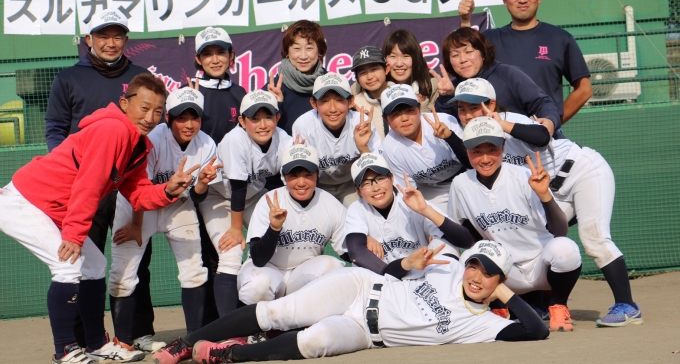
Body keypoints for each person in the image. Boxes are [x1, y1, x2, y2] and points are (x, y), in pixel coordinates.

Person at [0, 73, 201, 363]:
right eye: (144, 108)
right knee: (68, 266)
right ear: (124, 103)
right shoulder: (112, 130)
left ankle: (97, 343)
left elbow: (138, 194)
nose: (150, 118)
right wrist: (74, 235)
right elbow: (89, 185)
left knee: (95, 265)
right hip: (25, 201)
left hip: (51, 208)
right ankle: (64, 351)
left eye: (158, 111)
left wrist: (168, 190)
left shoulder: (138, 146)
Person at [152, 240, 548, 364]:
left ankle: (229, 356)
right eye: (474, 265)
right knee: (279, 311)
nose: (476, 276)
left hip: (364, 332)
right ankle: (185, 343)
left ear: (500, 281)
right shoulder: (446, 269)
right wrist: (406, 264)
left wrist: (503, 293)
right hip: (359, 288)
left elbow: (535, 330)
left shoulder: (485, 324)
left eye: (488, 273)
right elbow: (389, 274)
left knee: (316, 342)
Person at [451, 78, 643, 327]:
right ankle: (540, 305)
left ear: (492, 104)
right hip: (548, 188)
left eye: (475, 107)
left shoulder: (509, 120)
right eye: (462, 109)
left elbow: (542, 136)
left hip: (578, 171)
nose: (468, 114)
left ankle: (627, 305)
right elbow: (473, 160)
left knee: (594, 237)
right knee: (536, 235)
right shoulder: (476, 136)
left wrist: (503, 124)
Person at [44, 9, 161, 352]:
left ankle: (137, 333)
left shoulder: (141, 77)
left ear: (126, 39)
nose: (111, 43)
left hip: (127, 183)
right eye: (103, 36)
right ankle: (85, 340)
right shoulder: (68, 77)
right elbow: (55, 128)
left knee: (135, 260)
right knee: (80, 262)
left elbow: (149, 130)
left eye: (117, 36)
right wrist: (73, 174)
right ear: (88, 39)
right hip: (85, 188)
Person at [108, 87, 223, 350]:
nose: (189, 124)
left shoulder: (206, 143)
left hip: (177, 205)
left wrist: (202, 184)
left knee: (194, 271)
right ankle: (124, 341)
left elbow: (197, 195)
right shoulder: (153, 139)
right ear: (168, 117)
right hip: (137, 207)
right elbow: (139, 189)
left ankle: (193, 340)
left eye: (195, 117)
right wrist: (136, 225)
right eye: (182, 117)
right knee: (122, 274)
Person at [449, 116, 582, 332]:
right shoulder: (461, 184)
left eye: (492, 150)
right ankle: (496, 306)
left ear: (503, 147)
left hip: (542, 266)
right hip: (506, 273)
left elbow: (560, 231)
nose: (485, 158)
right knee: (467, 258)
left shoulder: (524, 176)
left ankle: (558, 305)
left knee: (566, 250)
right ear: (466, 151)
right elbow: (464, 234)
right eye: (477, 151)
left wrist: (545, 195)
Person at [198, 90, 293, 317]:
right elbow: (238, 187)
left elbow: (291, 179)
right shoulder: (235, 139)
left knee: (281, 245)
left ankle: (279, 316)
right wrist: (235, 228)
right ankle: (229, 327)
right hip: (219, 198)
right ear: (242, 121)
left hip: (253, 196)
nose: (262, 124)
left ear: (278, 118)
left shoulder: (284, 140)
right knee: (230, 255)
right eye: (254, 118)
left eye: (268, 117)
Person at [458, 0, 592, 125]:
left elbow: (584, 89)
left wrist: (553, 121)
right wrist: (465, 20)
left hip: (544, 136)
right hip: (497, 135)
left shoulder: (560, 38)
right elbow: (466, 61)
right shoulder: (489, 39)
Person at [235, 145, 347, 306]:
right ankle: (253, 322)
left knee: (333, 267)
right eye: (293, 176)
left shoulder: (330, 204)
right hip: (267, 269)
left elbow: (349, 252)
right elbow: (258, 259)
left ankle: (313, 320)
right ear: (284, 176)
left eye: (308, 175)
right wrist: (274, 229)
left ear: (317, 174)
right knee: (258, 284)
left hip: (303, 273)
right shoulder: (270, 201)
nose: (301, 183)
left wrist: (364, 241)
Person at [189, 26, 247, 326]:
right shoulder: (190, 94)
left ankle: (236, 320)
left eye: (220, 52)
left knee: (229, 253)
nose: (215, 59)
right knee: (202, 256)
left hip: (236, 189)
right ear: (198, 59)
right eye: (207, 54)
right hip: (199, 189)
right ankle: (207, 327)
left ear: (231, 55)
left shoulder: (240, 94)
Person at [345, 152, 475, 276]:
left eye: (380, 178)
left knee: (445, 245)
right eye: (366, 183)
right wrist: (397, 269)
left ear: (391, 178)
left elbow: (466, 241)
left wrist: (426, 211)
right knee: (357, 267)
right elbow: (356, 253)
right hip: (384, 277)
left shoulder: (409, 201)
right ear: (358, 191)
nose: (376, 188)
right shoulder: (357, 209)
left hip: (422, 272)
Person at [432, 27, 562, 137]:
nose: (463, 59)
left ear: (483, 54)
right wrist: (446, 96)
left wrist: (550, 120)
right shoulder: (453, 88)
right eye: (455, 55)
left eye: (469, 51)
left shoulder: (508, 74)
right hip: (483, 154)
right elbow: (447, 125)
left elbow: (541, 102)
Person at [292, 72, 383, 207]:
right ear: (314, 104)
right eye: (324, 101)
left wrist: (363, 148)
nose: (333, 109)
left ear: (350, 102)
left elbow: (380, 172)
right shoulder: (303, 125)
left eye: (339, 100)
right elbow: (300, 176)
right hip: (318, 187)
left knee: (366, 212)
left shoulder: (360, 122)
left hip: (351, 184)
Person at [380, 84, 467, 213]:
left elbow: (470, 162)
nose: (404, 118)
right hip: (431, 191)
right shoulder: (389, 146)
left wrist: (450, 138)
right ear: (386, 119)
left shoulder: (444, 121)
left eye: (409, 110)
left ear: (419, 108)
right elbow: (408, 190)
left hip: (464, 177)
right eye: (396, 114)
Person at [265, 20, 328, 134]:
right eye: (296, 48)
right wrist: (275, 105)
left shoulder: (331, 84)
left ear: (319, 50)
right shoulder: (274, 89)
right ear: (287, 52)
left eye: (309, 48)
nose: (303, 56)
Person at [383, 29, 439, 112]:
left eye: (406, 56)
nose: (399, 64)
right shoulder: (378, 89)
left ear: (416, 58)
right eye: (393, 56)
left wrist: (447, 95)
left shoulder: (432, 86)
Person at [350, 45, 392, 139]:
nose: (369, 77)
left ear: (386, 69)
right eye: (363, 73)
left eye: (374, 69)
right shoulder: (355, 105)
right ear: (357, 78)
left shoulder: (402, 95)